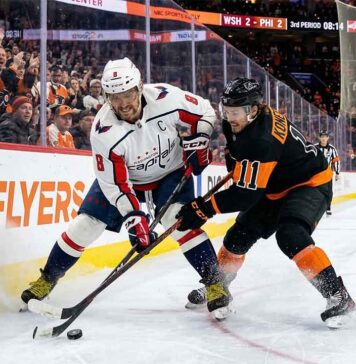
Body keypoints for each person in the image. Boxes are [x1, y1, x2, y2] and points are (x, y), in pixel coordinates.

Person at [21, 57, 231, 318]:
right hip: (127, 181)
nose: (123, 103)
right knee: (84, 226)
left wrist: (200, 137)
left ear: (140, 87)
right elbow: (116, 184)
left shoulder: (167, 98)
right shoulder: (103, 130)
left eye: (128, 94)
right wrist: (134, 218)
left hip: (170, 172)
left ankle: (215, 283)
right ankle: (47, 279)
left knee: (179, 221)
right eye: (114, 97)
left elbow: (205, 112)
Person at [177, 78, 355, 328]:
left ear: (252, 110)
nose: (229, 117)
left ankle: (339, 296)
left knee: (291, 235)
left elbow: (245, 195)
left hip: (309, 183)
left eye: (235, 112)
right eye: (225, 111)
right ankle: (219, 286)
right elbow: (240, 162)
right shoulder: (240, 122)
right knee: (237, 237)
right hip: (273, 187)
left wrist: (203, 208)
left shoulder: (262, 138)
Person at [314, 130, 340, 215]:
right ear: (319, 137)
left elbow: (336, 160)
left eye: (325, 136)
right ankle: (316, 208)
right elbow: (310, 160)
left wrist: (337, 173)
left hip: (327, 174)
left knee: (329, 192)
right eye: (322, 136)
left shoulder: (332, 149)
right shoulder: (314, 147)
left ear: (328, 138)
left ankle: (328, 207)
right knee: (316, 191)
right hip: (316, 174)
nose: (324, 138)